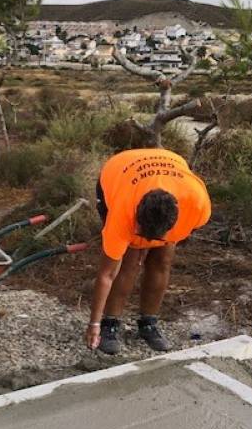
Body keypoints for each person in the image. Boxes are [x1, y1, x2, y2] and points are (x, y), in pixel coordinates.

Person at [86, 148, 211, 354]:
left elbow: (186, 233)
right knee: (130, 260)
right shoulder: (123, 212)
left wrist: (156, 243)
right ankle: (110, 323)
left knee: (163, 259)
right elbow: (107, 274)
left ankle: (148, 323)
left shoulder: (197, 204)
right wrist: (94, 324)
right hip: (119, 170)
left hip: (171, 168)